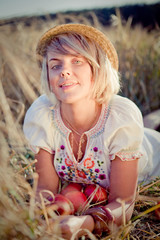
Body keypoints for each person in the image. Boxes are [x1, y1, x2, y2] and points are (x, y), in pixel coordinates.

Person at [23, 23, 160, 239]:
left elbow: (123, 203)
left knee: (151, 130)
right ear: (47, 75)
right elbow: (45, 190)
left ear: (97, 69)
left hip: (153, 152)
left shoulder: (120, 118)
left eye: (77, 61)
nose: (65, 70)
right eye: (55, 65)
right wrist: (47, 215)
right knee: (148, 124)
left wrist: (87, 222)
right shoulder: (42, 115)